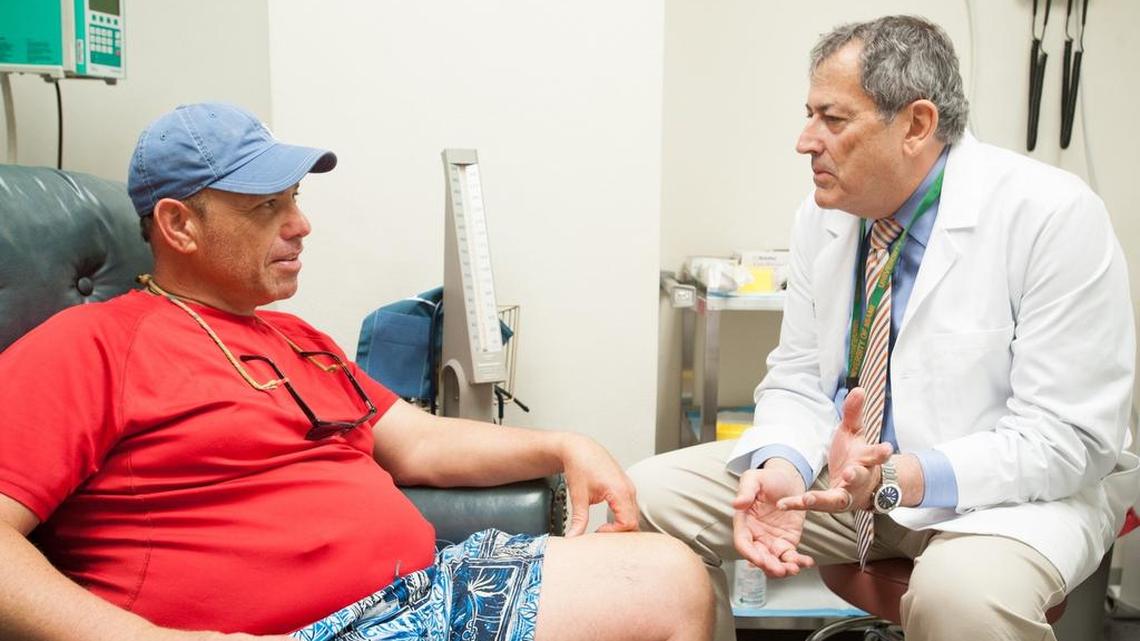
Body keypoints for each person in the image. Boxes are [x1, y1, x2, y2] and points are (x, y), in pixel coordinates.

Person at [0, 102, 714, 641]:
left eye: (295, 199)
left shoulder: (296, 339)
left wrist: (563, 445)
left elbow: (417, 441)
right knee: (661, 585)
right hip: (297, 630)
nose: (300, 224)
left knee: (665, 573)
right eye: (267, 207)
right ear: (179, 224)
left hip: (412, 598)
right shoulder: (89, 346)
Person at [630, 15, 1138, 641]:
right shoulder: (826, 216)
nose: (805, 140)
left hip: (1006, 498)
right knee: (648, 499)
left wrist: (901, 478)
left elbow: (1068, 438)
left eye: (833, 119)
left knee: (962, 597)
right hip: (852, 486)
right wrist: (783, 467)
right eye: (809, 114)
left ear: (917, 125)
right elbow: (797, 376)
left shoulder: (1051, 215)